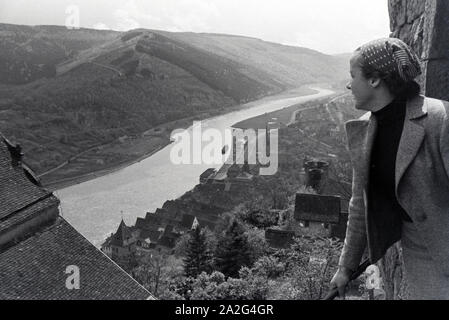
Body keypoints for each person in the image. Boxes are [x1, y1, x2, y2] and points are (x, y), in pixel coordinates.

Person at [330, 38, 449, 300]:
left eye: (353, 76)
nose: (349, 84)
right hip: (419, 254)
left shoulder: (440, 120)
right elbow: (359, 206)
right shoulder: (363, 132)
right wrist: (345, 268)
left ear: (374, 80)